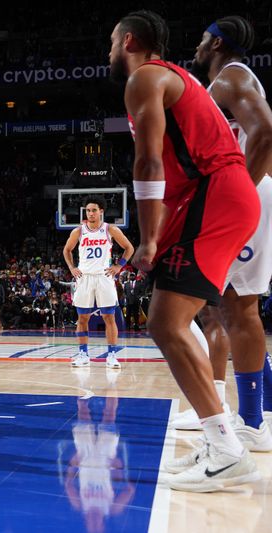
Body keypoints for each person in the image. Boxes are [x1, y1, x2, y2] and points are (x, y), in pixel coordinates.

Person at [110, 10, 261, 491]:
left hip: (215, 195)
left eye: (112, 42)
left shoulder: (146, 78)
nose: (109, 51)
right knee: (178, 319)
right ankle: (222, 442)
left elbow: (149, 159)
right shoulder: (174, 78)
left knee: (166, 321)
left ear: (129, 40)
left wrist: (150, 236)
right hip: (213, 198)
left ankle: (228, 450)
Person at [169, 17, 272, 447]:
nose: (196, 44)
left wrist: (239, 194)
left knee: (237, 308)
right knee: (224, 308)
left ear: (215, 42)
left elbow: (266, 131)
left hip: (247, 197)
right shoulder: (223, 84)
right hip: (243, 197)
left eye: (202, 37)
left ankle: (250, 423)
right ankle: (253, 410)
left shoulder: (231, 78)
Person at [62, 197, 134, 369]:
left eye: (94, 210)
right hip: (84, 277)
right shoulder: (78, 231)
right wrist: (72, 267)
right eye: (88, 210)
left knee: (109, 317)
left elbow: (129, 248)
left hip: (104, 277)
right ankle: (83, 354)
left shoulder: (110, 229)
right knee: (82, 318)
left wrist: (119, 266)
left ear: (101, 211)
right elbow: (67, 250)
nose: (91, 214)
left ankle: (111, 355)